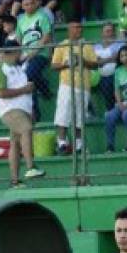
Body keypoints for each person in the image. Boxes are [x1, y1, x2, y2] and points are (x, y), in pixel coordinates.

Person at [0, 40, 45, 187]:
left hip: (23, 109)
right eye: (19, 51)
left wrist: (31, 108)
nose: (21, 53)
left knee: (14, 142)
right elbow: (1, 92)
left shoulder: (17, 67)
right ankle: (30, 167)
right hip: (10, 110)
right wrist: (25, 90)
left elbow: (23, 91)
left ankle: (14, 181)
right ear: (13, 51)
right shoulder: (0, 68)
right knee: (26, 129)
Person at [50, 20, 98, 154]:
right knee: (63, 113)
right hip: (66, 84)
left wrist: (83, 61)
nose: (79, 30)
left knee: (80, 115)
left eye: (80, 27)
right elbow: (54, 65)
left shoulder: (87, 46)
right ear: (69, 30)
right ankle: (62, 142)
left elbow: (95, 64)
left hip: (84, 85)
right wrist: (66, 64)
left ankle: (78, 145)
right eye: (75, 27)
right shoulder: (62, 45)